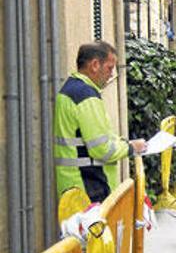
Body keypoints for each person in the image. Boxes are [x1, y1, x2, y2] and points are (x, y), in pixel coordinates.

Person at [54, 41, 147, 203]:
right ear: (95, 65)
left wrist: (124, 143)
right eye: (110, 68)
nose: (112, 74)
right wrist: (132, 148)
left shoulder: (69, 89)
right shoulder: (86, 96)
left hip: (72, 185)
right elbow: (101, 149)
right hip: (90, 186)